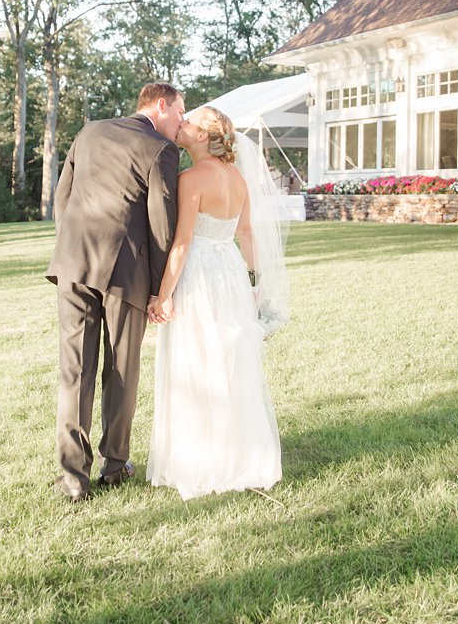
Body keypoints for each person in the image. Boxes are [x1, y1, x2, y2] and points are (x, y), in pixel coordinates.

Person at [45, 82, 183, 503]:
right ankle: (115, 465)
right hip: (125, 273)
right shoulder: (159, 148)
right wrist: (161, 290)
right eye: (180, 113)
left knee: (76, 370)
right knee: (122, 369)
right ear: (161, 105)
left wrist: (70, 247)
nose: (181, 124)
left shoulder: (90, 131)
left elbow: (62, 198)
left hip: (73, 264)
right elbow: (162, 227)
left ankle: (73, 478)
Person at [146, 106, 287, 500]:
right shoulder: (238, 178)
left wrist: (163, 295)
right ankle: (237, 452)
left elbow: (183, 243)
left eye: (189, 122)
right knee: (229, 361)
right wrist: (257, 285)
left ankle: (203, 460)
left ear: (205, 136)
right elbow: (245, 234)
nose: (182, 125)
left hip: (201, 276)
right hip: (230, 274)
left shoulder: (190, 179)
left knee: (198, 361)